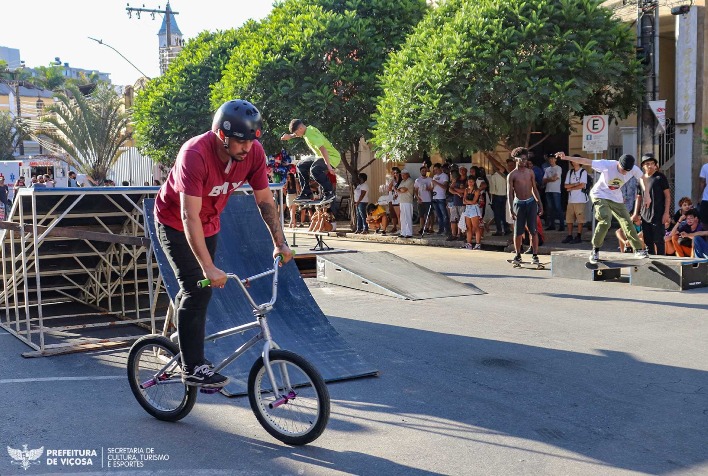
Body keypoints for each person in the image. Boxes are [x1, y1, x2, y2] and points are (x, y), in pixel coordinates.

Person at [154, 99, 292, 388]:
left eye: (252, 141)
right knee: (197, 287)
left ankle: (182, 330)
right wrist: (207, 267)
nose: (247, 147)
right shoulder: (195, 154)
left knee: (196, 293)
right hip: (174, 223)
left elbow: (265, 201)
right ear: (221, 135)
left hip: (210, 223)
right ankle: (193, 367)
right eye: (240, 142)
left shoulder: (252, 153)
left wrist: (280, 243)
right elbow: (187, 215)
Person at [556, 152, 650, 263]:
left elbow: (643, 178)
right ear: (618, 164)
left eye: (626, 171)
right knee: (605, 219)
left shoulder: (633, 168)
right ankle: (595, 250)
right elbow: (586, 161)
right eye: (622, 169)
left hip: (616, 198)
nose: (624, 173)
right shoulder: (607, 164)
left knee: (627, 222)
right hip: (599, 195)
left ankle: (638, 249)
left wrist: (647, 194)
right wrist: (566, 157)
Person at [281, 119, 340, 205]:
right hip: (320, 156)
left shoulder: (310, 135)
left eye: (297, 133)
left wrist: (329, 166)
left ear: (300, 128)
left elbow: (323, 149)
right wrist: (290, 136)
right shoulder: (307, 130)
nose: (296, 135)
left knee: (314, 169)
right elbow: (298, 134)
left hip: (331, 157)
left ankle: (329, 192)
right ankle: (306, 193)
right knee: (300, 165)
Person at [507, 147, 543, 265]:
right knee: (518, 231)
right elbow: (510, 193)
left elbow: (534, 189)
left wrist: (539, 203)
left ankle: (535, 255)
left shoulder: (530, 172)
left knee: (533, 230)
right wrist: (511, 208)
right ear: (516, 159)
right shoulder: (512, 175)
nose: (523, 161)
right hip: (519, 204)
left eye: (525, 158)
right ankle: (518, 255)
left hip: (531, 203)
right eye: (521, 159)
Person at [636, 154, 670, 255]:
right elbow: (639, 197)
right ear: (643, 166)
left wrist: (666, 213)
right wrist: (635, 213)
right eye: (647, 164)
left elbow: (668, 196)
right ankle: (651, 262)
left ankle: (663, 262)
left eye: (652, 163)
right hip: (645, 214)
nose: (650, 166)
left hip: (658, 214)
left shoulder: (660, 177)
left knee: (659, 240)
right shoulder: (641, 179)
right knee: (648, 241)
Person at [562, 157, 589, 244]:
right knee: (569, 219)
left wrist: (571, 187)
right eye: (572, 160)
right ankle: (569, 235)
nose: (573, 162)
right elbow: (566, 186)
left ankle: (578, 236)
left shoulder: (583, 172)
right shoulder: (570, 172)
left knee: (580, 219)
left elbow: (582, 185)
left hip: (580, 199)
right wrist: (575, 184)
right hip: (571, 199)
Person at [542, 154, 564, 231]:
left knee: (558, 207)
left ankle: (562, 225)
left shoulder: (558, 168)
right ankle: (552, 225)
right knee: (550, 209)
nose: (551, 160)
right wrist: (550, 178)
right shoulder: (547, 169)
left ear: (555, 159)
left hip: (556, 190)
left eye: (552, 158)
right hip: (548, 190)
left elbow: (555, 178)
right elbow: (544, 180)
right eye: (550, 158)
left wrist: (549, 179)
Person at [462, 175, 483, 250]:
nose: (470, 183)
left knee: (476, 227)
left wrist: (467, 201)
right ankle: (469, 243)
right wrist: (468, 202)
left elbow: (474, 201)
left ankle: (478, 243)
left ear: (474, 182)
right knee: (468, 227)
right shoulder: (466, 190)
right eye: (469, 181)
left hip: (474, 209)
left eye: (471, 181)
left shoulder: (477, 191)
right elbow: (463, 201)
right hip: (467, 208)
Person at [488, 163, 509, 235]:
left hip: (497, 196)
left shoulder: (493, 177)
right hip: (505, 196)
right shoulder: (505, 176)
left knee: (497, 214)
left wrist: (491, 200)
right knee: (504, 214)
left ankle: (499, 230)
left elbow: (492, 190)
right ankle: (507, 229)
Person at [431, 163, 450, 236]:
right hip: (435, 197)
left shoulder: (444, 176)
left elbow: (445, 187)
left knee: (444, 214)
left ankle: (447, 230)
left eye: (436, 169)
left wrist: (436, 182)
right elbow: (432, 187)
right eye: (434, 170)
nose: (435, 171)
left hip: (441, 197)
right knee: (438, 215)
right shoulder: (434, 176)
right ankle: (440, 229)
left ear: (440, 168)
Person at [414, 165, 433, 233]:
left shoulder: (430, 179)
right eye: (422, 171)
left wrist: (428, 188)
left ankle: (428, 227)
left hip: (428, 199)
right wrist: (418, 198)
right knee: (421, 215)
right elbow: (415, 190)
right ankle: (421, 228)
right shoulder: (418, 180)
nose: (424, 172)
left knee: (428, 215)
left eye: (425, 171)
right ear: (420, 172)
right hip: (420, 200)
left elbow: (432, 189)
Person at [397, 169, 415, 238]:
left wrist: (400, 189)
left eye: (404, 174)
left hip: (407, 201)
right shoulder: (402, 181)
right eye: (401, 174)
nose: (402, 175)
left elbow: (404, 190)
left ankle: (409, 233)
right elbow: (399, 189)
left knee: (408, 217)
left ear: (407, 174)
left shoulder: (410, 181)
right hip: (402, 201)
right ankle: (403, 232)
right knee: (402, 218)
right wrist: (400, 189)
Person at [386, 167, 402, 234]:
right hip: (392, 198)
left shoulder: (402, 181)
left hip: (399, 199)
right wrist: (392, 181)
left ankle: (400, 228)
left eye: (396, 173)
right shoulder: (392, 180)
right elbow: (388, 189)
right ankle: (395, 226)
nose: (395, 174)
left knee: (399, 214)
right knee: (392, 213)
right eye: (394, 172)